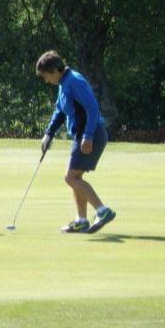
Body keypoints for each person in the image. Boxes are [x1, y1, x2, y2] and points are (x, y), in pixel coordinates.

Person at [36, 50, 116, 234]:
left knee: (70, 177)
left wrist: (88, 135)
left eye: (47, 76)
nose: (47, 80)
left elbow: (92, 107)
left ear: (55, 70)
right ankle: (81, 220)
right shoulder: (63, 83)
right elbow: (60, 110)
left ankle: (102, 211)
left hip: (92, 133)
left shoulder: (74, 81)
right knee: (74, 177)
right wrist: (49, 133)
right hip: (82, 134)